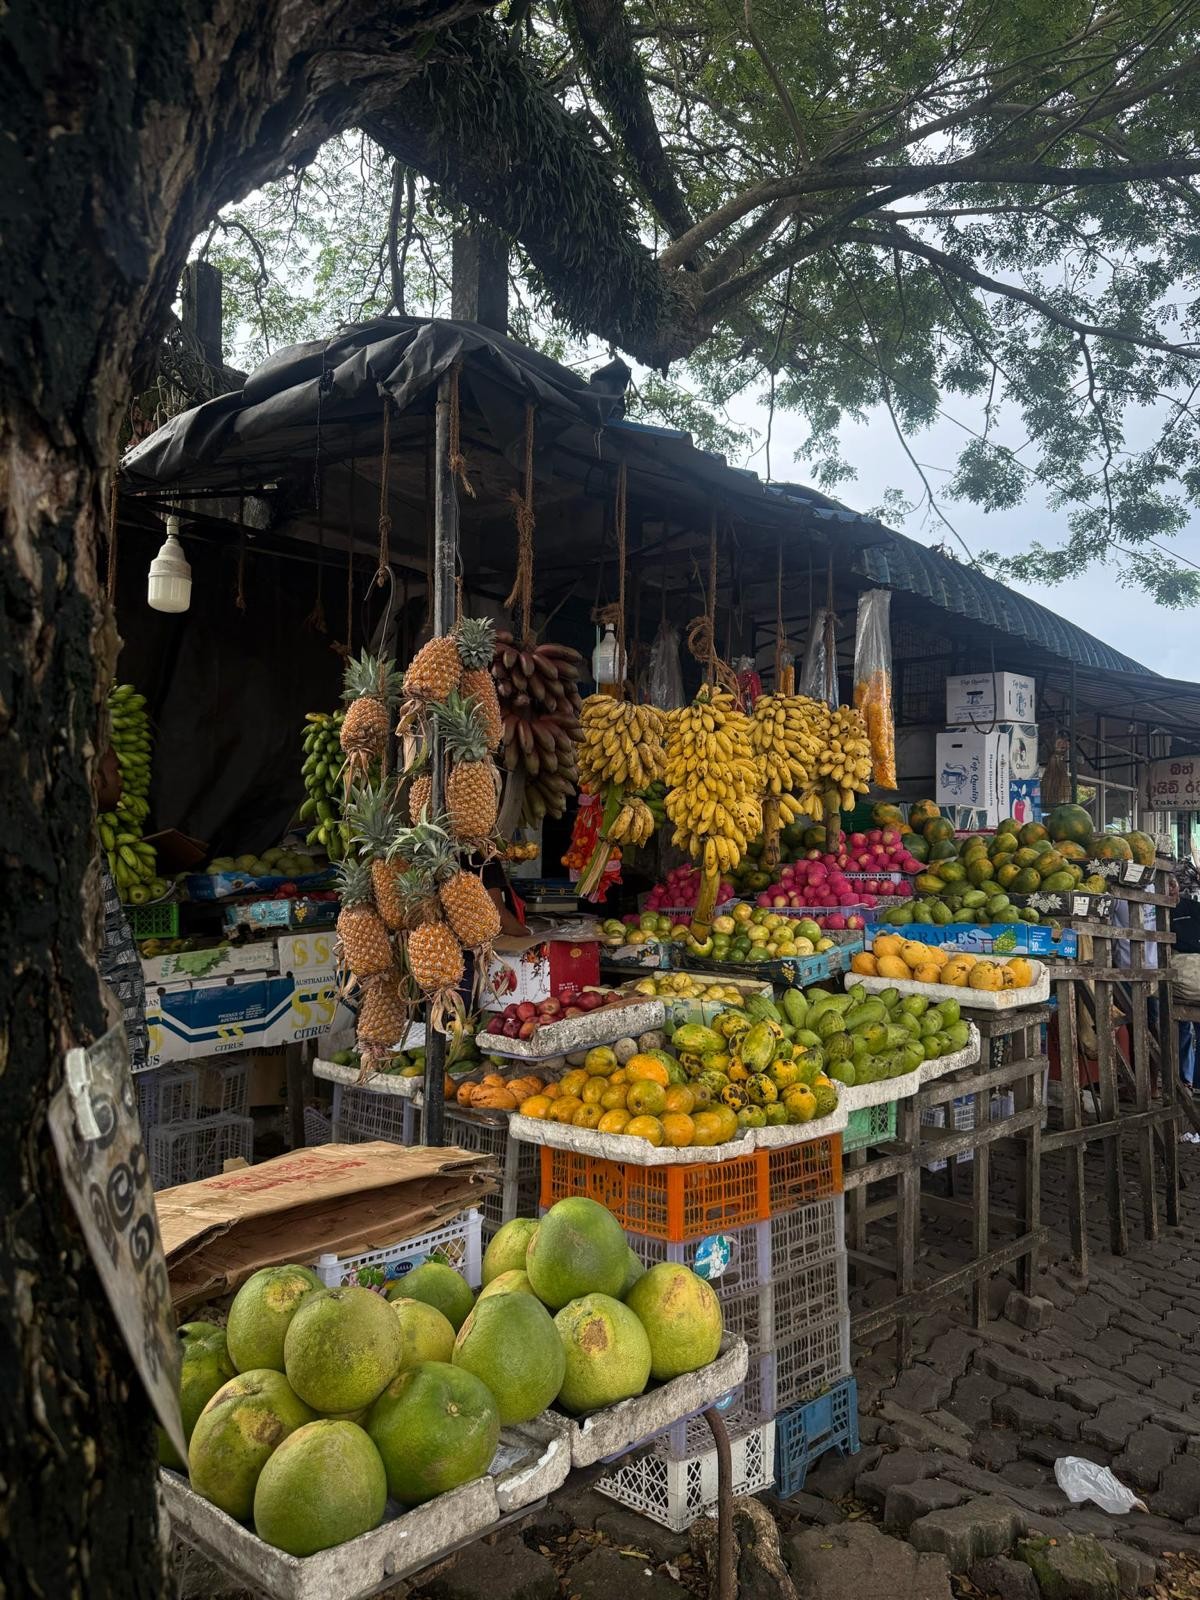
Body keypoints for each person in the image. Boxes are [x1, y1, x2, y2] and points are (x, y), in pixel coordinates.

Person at [96, 744, 148, 1072]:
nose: (122, 779)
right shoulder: (74, 852)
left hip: (114, 1027)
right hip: (100, 1031)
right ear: (95, 777)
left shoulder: (91, 844)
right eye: (115, 770)